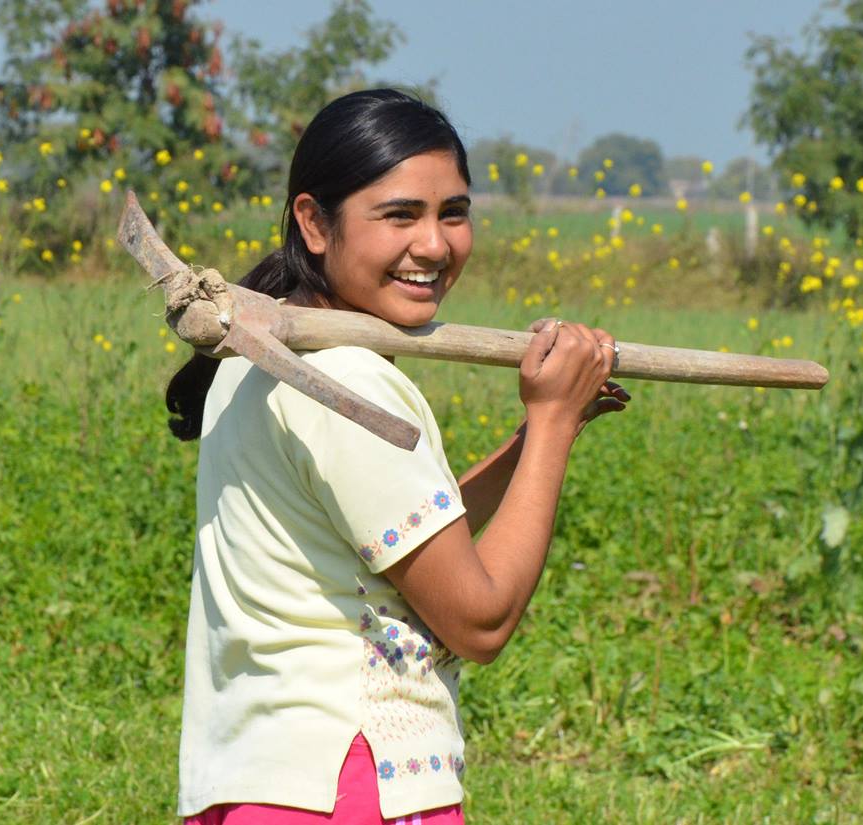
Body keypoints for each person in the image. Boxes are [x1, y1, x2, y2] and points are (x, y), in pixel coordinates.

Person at [168, 88, 630, 825]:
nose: (436, 245)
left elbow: (401, 536)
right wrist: (547, 421)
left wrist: (540, 440)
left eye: (453, 212)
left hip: (265, 784)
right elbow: (478, 621)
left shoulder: (262, 359)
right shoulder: (344, 380)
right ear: (314, 223)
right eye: (399, 215)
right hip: (355, 789)